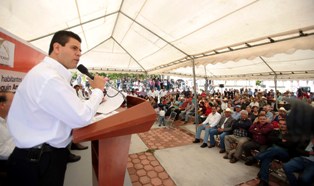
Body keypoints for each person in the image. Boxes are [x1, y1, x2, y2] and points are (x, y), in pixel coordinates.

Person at [7, 30, 105, 186]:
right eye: (74, 48)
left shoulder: (49, 74)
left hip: (40, 156)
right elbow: (82, 117)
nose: (79, 54)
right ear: (57, 47)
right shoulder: (49, 78)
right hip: (38, 161)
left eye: (80, 50)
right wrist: (98, 90)